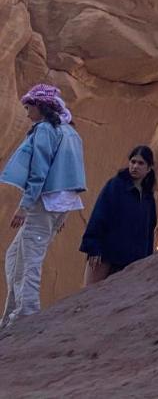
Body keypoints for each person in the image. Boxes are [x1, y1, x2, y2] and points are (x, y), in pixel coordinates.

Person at [0, 84, 86, 326]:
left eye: (29, 108)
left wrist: (23, 207)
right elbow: (75, 173)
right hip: (61, 204)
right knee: (15, 255)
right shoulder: (70, 131)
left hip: (44, 203)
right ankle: (10, 315)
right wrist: (66, 211)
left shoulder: (45, 130)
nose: (27, 114)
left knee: (29, 259)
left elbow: (39, 172)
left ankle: (27, 314)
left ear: (40, 107)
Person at [80, 145, 157, 286]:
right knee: (89, 298)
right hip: (104, 256)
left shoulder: (148, 198)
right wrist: (93, 247)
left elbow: (149, 232)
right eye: (133, 162)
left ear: (149, 168)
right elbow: (99, 215)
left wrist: (147, 260)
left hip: (130, 261)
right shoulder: (115, 186)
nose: (135, 166)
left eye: (141, 163)